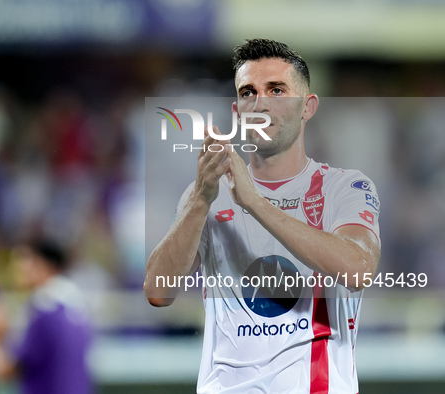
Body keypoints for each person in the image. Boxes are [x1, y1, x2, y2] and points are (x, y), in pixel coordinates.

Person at [144, 38, 381, 393]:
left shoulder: (344, 188)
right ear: (237, 111)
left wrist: (254, 202)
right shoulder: (206, 194)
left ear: (307, 106)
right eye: (248, 92)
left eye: (277, 90)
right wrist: (199, 200)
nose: (260, 103)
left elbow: (358, 269)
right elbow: (158, 292)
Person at [0, 240, 94, 394]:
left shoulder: (42, 312)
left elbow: (4, 371)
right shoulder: (78, 309)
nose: (18, 269)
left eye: (25, 261)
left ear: (44, 266)